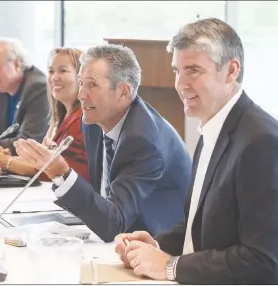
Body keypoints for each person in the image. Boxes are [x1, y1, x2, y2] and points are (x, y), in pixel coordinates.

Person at [114, 18, 278, 284]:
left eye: (193, 70)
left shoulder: (263, 143)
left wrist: (171, 267)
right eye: (177, 71)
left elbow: (261, 260)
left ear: (231, 71)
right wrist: (156, 247)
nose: (180, 84)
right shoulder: (212, 129)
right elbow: (202, 227)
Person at [14, 44, 192, 243]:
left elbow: (113, 225)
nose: (81, 95)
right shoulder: (93, 121)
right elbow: (103, 201)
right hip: (117, 236)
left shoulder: (144, 141)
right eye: (81, 83)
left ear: (123, 92)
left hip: (158, 246)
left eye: (92, 85)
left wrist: (60, 172)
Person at [0, 48, 89, 182]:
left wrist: (7, 162)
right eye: (51, 71)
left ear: (81, 77)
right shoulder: (60, 119)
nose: (54, 77)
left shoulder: (82, 120)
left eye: (63, 70)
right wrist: (5, 157)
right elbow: (41, 161)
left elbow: (55, 170)